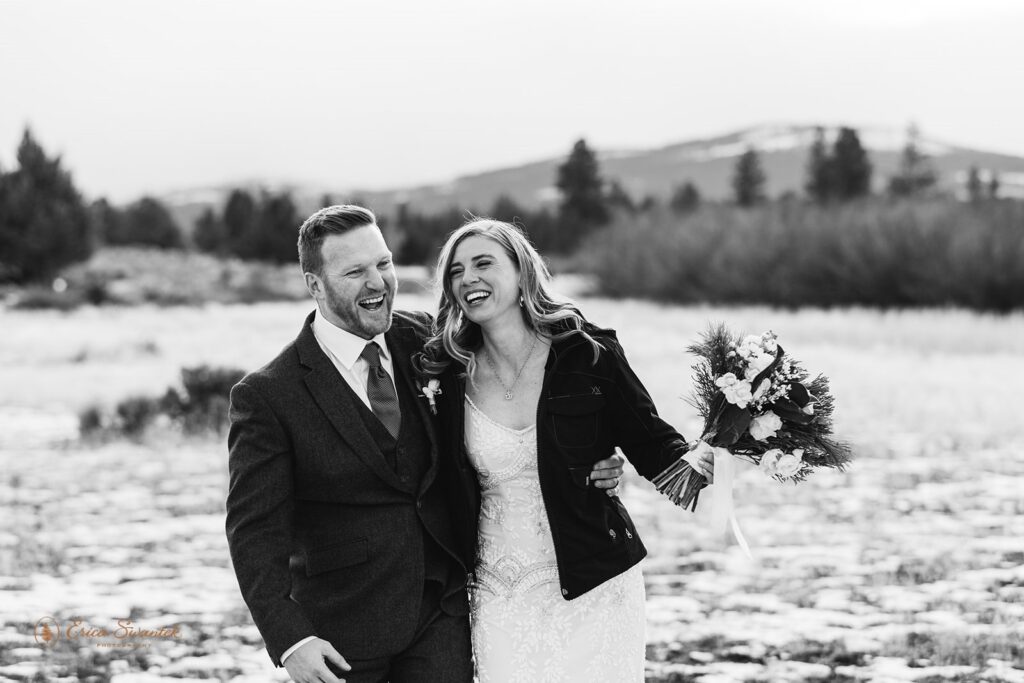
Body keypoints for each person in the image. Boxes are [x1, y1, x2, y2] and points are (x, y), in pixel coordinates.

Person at [225, 205, 624, 683]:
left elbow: (528, 360)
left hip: (444, 616)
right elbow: (253, 533)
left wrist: (586, 454)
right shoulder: (268, 394)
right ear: (315, 285)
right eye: (355, 272)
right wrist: (290, 638)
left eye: (384, 264)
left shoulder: (430, 341)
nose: (378, 283)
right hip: (340, 634)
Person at [418, 218, 715, 682]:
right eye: (456, 271)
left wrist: (728, 438)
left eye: (483, 263)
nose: (468, 279)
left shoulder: (588, 354)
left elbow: (656, 447)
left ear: (521, 274)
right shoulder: (444, 373)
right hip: (501, 590)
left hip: (597, 582)